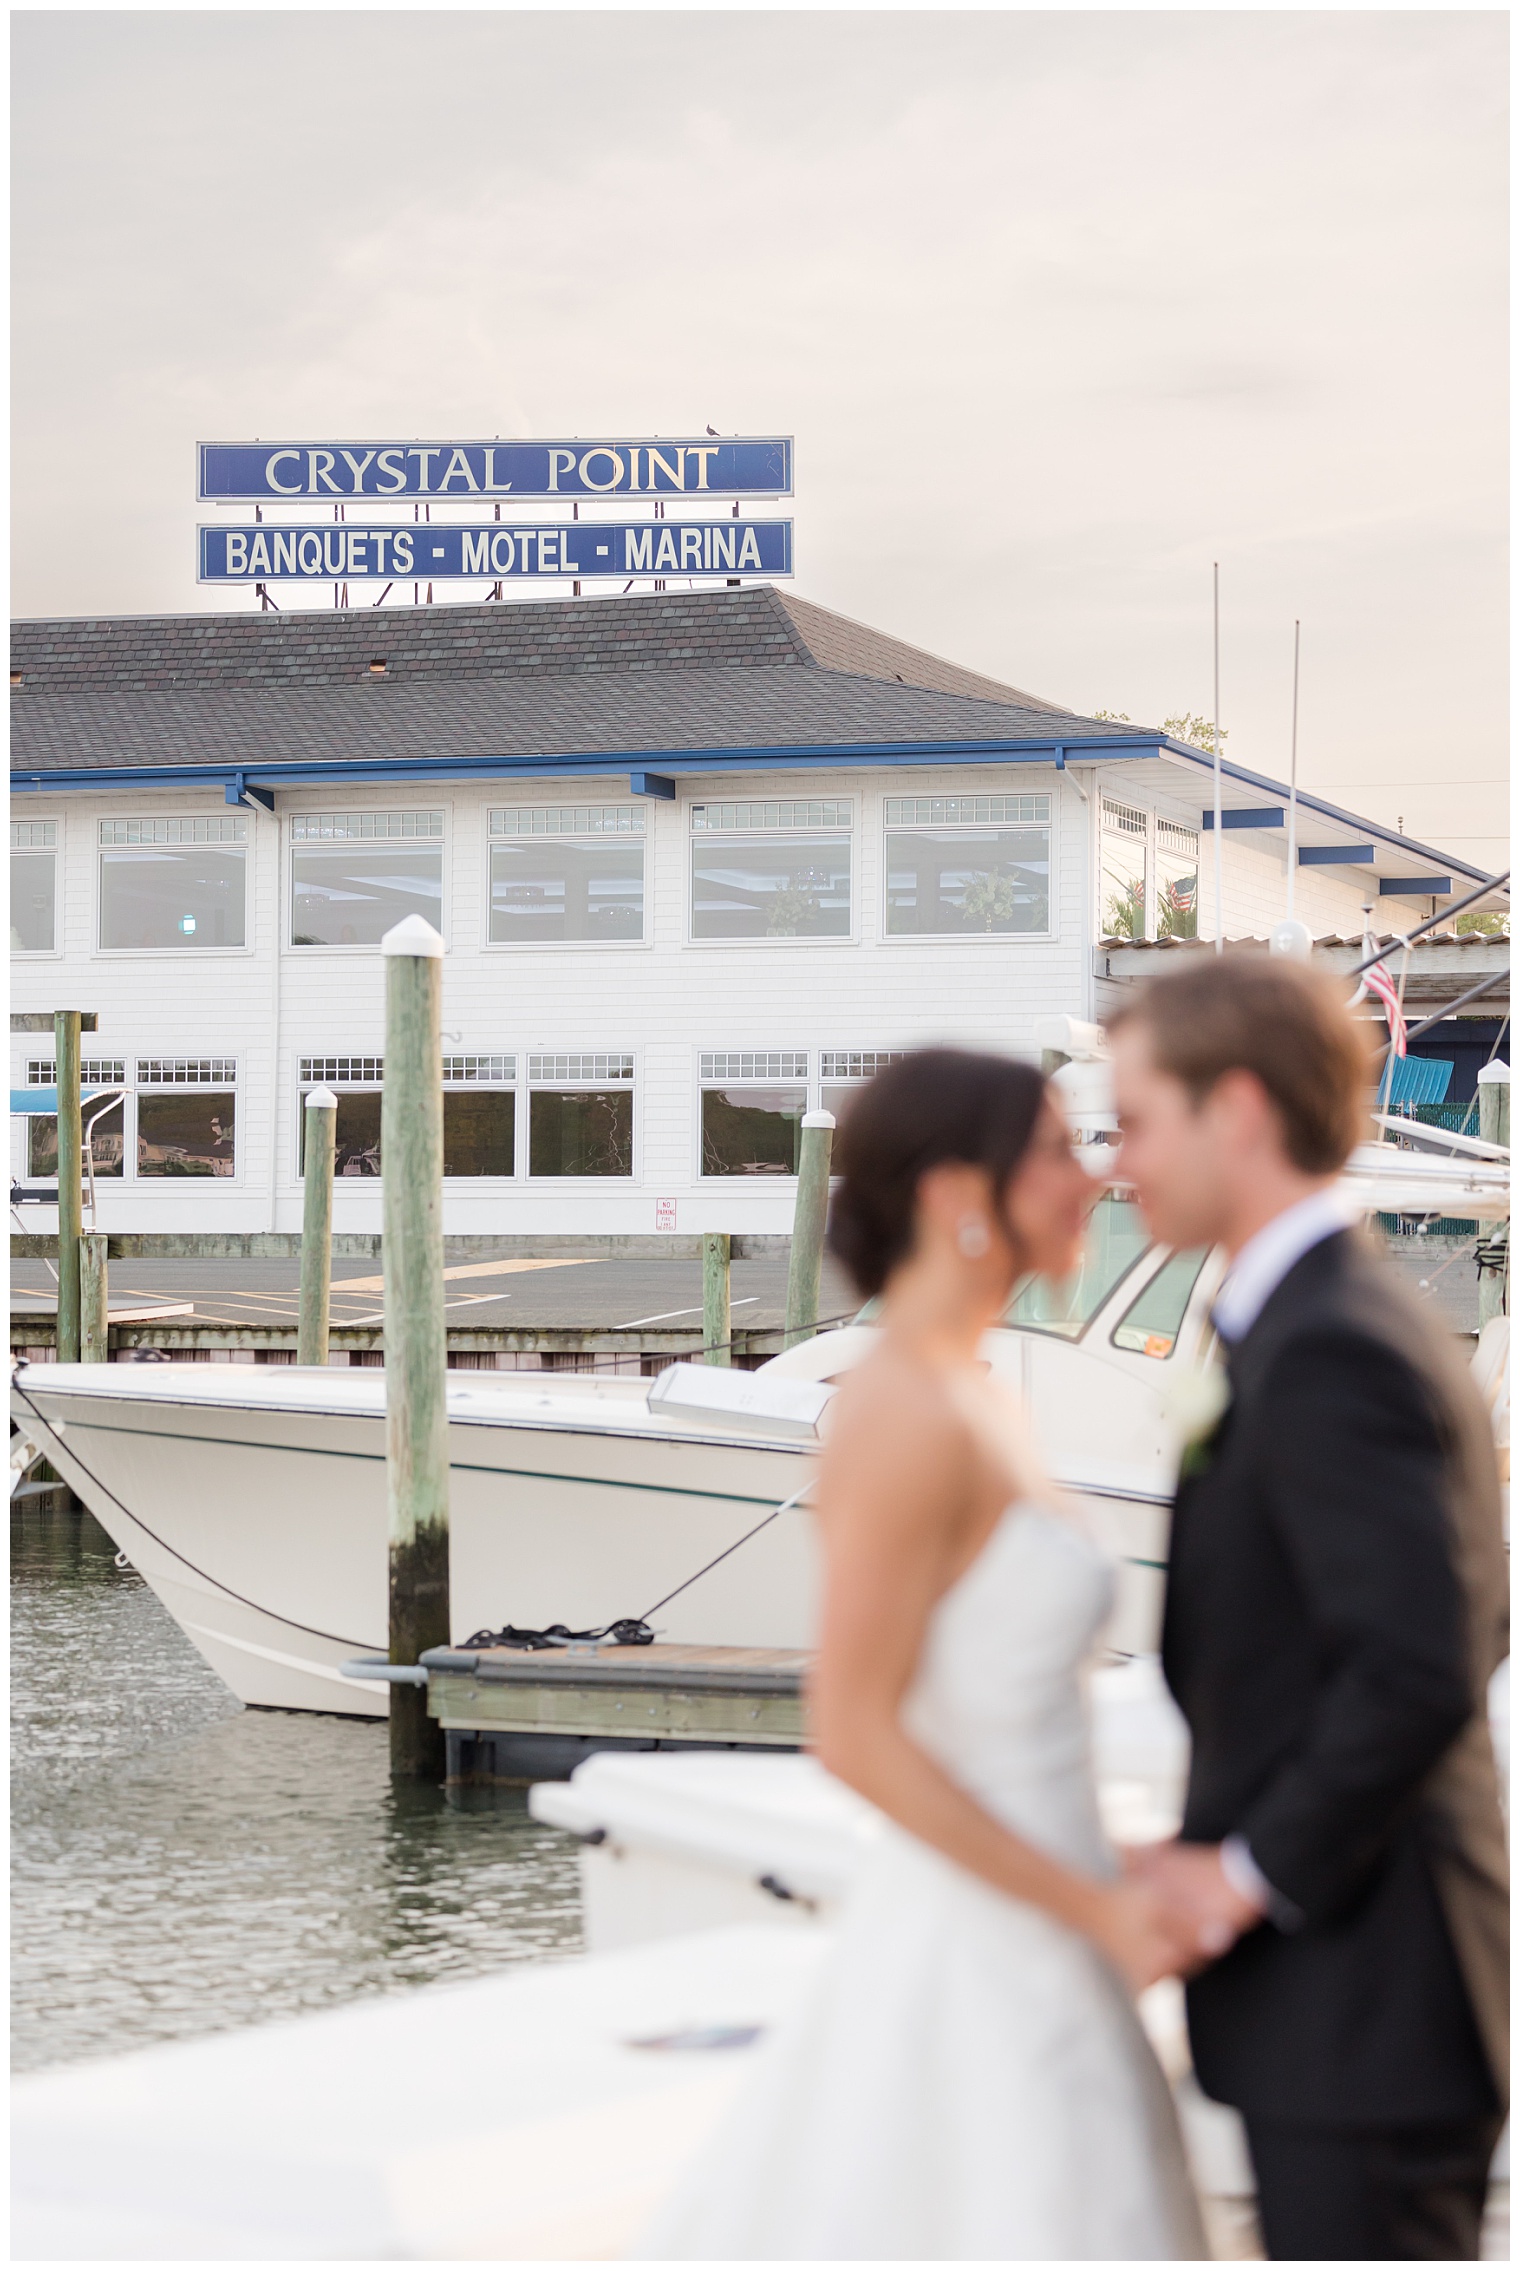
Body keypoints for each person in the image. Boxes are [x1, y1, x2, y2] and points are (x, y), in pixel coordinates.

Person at [635, 1049, 1207, 2261]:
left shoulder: (978, 1392)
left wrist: (1114, 1873)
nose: (1095, 1179)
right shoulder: (897, 1405)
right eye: (1057, 1151)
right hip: (994, 1941)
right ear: (958, 1195)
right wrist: (1088, 1909)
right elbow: (853, 1731)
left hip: (1052, 1914)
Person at [1109, 956, 1508, 2261]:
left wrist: (1233, 1876)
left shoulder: (1336, 1343)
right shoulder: (1300, 1323)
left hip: (1372, 1998)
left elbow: (1420, 1663)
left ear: (1235, 1109)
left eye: (1138, 1120)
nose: (1122, 1163)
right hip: (1336, 2002)